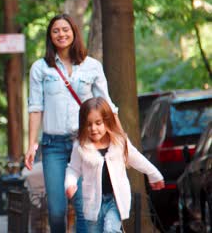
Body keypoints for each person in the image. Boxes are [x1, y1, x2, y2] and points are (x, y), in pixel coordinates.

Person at [24, 14, 120, 233]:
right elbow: (35, 107)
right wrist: (31, 144)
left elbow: (108, 106)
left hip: (85, 144)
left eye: (65, 29)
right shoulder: (40, 68)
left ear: (74, 32)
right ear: (50, 36)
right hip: (53, 146)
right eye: (56, 30)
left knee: (83, 207)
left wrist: (120, 140)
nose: (61, 34)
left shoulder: (92, 66)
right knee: (56, 209)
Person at [65, 97, 164, 232]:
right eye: (89, 124)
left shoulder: (119, 142)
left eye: (98, 123)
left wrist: (154, 174)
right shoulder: (81, 146)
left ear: (107, 121)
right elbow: (73, 169)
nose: (93, 128)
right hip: (93, 203)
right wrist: (70, 183)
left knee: (111, 229)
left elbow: (136, 158)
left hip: (115, 200)